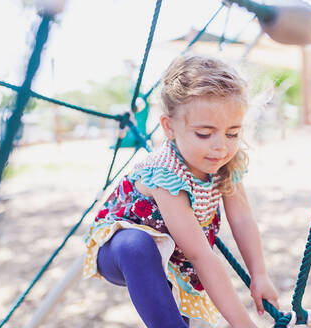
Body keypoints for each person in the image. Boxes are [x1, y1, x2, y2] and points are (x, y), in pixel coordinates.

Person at [82, 55, 279, 327]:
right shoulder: (167, 175)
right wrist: (243, 324)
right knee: (138, 246)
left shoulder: (226, 163)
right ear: (169, 127)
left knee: (175, 303)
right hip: (122, 251)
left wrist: (259, 275)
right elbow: (201, 255)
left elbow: (242, 219)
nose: (220, 146)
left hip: (175, 260)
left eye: (232, 133)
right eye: (204, 134)